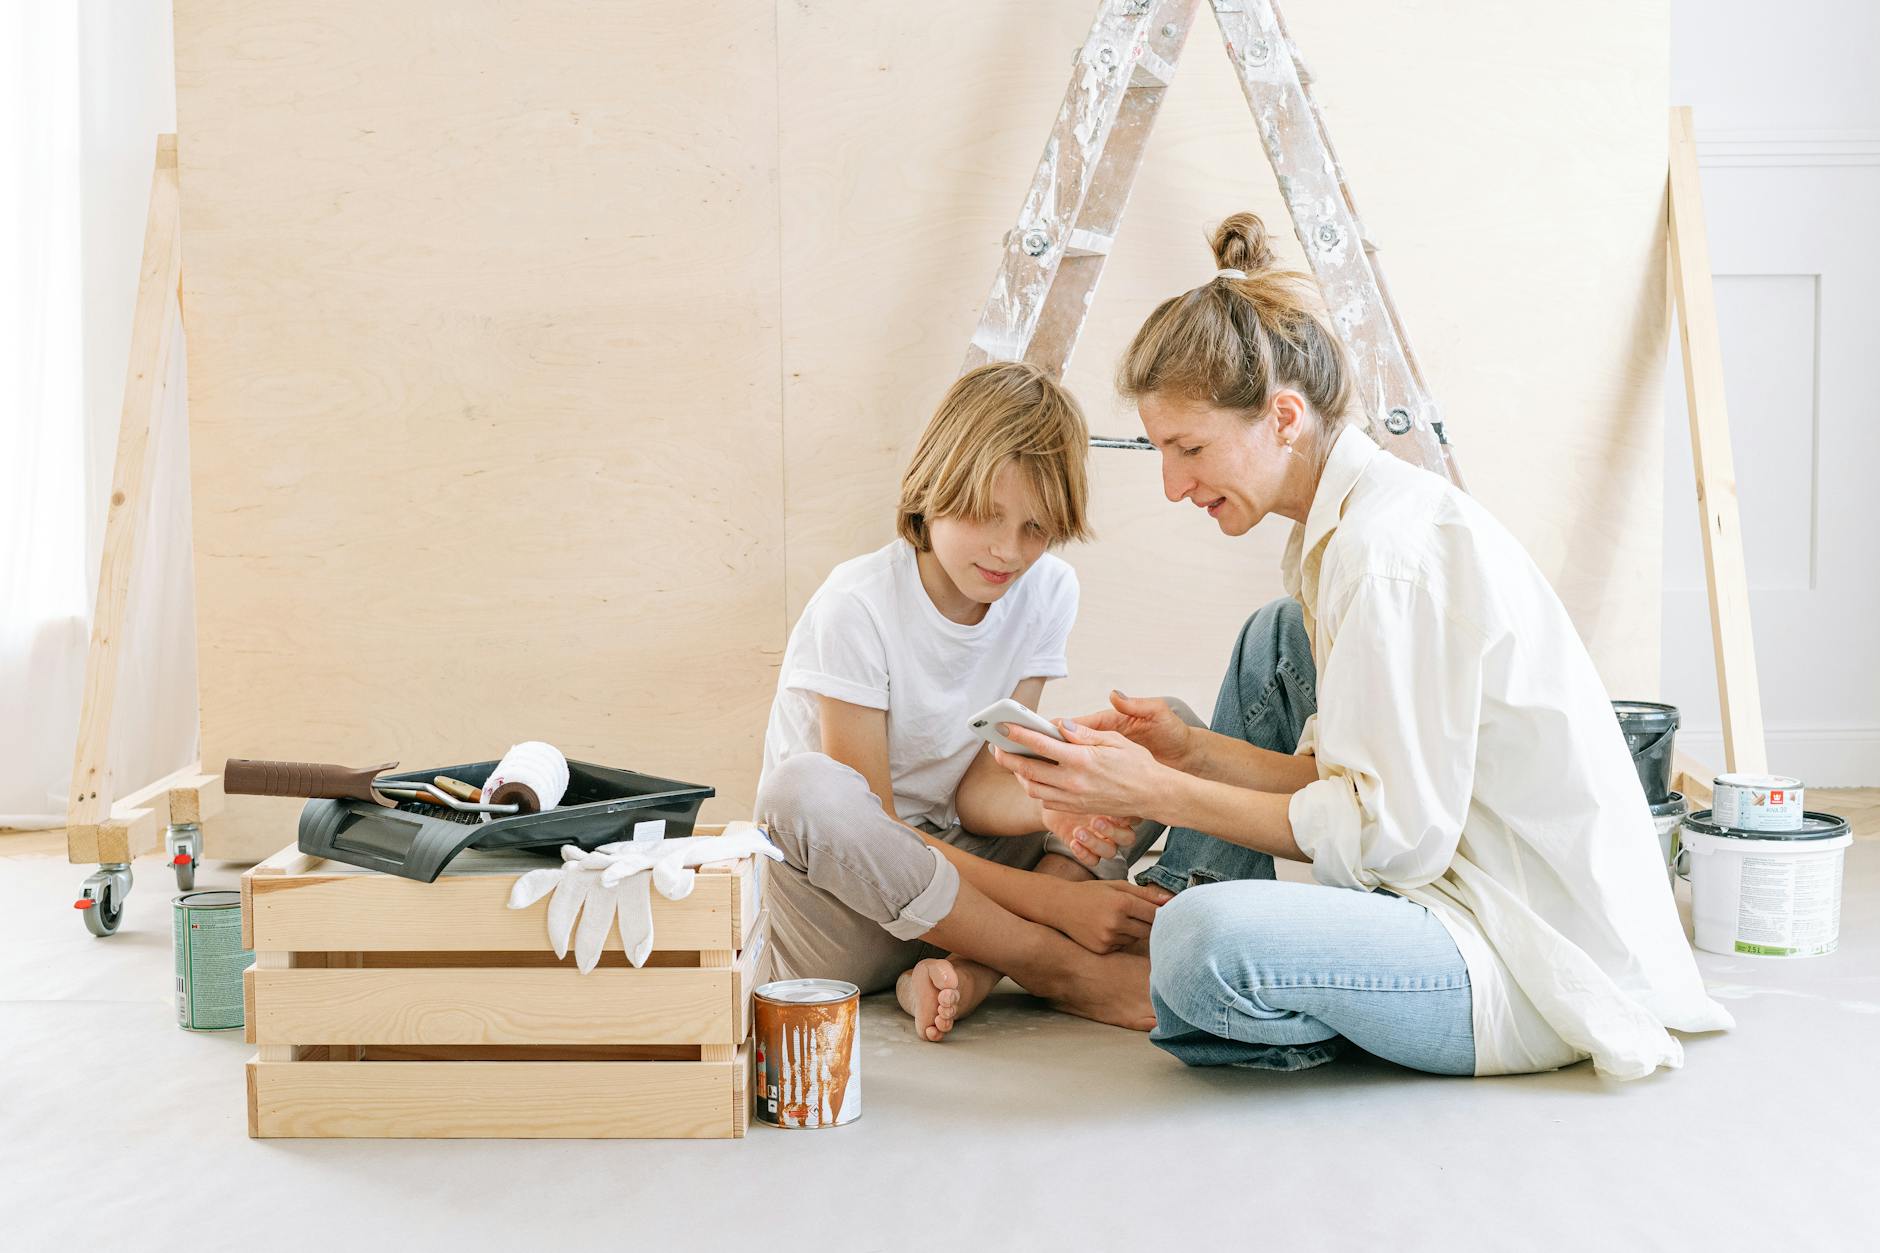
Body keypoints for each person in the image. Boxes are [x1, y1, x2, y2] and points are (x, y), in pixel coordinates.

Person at [992, 213, 1732, 1079]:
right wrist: (1188, 751)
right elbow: (1352, 783)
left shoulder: (1385, 560)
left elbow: (1391, 840)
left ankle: (1162, 966)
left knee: (1203, 945)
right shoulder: (1348, 532)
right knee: (1273, 637)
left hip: (1525, 957)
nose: (1172, 483)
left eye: (1189, 448)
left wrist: (1163, 790)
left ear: (1283, 416)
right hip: (1459, 866)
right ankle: (1170, 935)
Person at [753, 361, 1168, 1042]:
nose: (1008, 551)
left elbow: (978, 794)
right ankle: (1050, 964)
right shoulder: (855, 607)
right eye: (986, 516)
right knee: (804, 791)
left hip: (966, 881)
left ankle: (969, 967)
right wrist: (1057, 901)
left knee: (1155, 735)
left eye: (1035, 528)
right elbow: (875, 831)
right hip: (850, 910)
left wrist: (1054, 797)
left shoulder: (1046, 590)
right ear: (933, 487)